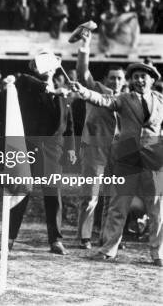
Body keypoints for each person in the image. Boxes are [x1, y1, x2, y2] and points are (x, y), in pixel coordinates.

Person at [73, 63, 163, 267]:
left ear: (152, 80)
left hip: (154, 157)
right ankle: (108, 250)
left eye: (143, 77)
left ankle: (158, 254)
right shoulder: (124, 99)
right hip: (127, 157)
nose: (139, 80)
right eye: (136, 77)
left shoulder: (161, 100)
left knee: (157, 207)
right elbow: (103, 100)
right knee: (118, 205)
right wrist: (84, 92)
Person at [8, 52, 76, 255]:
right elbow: (20, 78)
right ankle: (10, 237)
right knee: (22, 193)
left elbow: (69, 126)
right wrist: (43, 84)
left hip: (53, 153)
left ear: (56, 69)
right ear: (36, 69)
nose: (47, 70)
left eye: (51, 67)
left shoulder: (63, 97)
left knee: (53, 196)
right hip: (30, 149)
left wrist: (71, 148)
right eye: (42, 67)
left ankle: (55, 240)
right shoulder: (29, 89)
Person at [75, 31, 125, 249]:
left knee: (113, 198)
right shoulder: (96, 89)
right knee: (90, 196)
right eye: (112, 77)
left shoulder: (129, 98)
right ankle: (84, 236)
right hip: (94, 150)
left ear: (125, 81)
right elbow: (82, 73)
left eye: (119, 78)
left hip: (119, 152)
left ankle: (107, 237)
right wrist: (84, 46)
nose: (115, 81)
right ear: (106, 79)